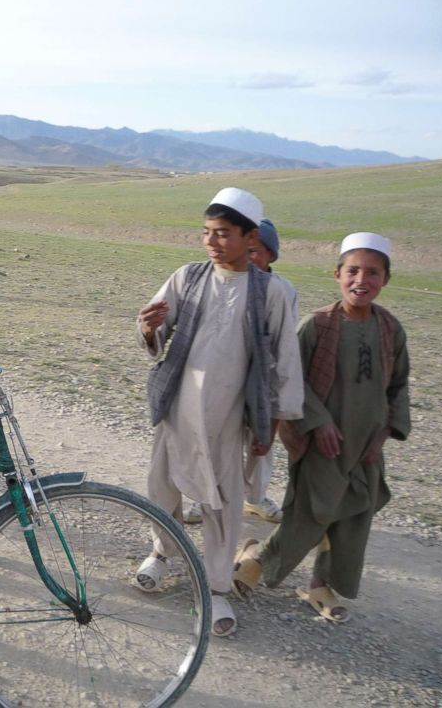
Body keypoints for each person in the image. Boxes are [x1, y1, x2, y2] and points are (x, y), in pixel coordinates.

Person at [133, 187, 303, 638]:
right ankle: (162, 553)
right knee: (162, 487)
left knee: (222, 502)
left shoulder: (272, 293)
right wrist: (148, 328)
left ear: (251, 238)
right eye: (207, 232)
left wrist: (275, 422)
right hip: (178, 409)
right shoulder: (188, 277)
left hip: (230, 418)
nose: (212, 242)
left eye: (223, 233)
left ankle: (216, 586)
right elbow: (155, 331)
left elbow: (286, 361)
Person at [232, 233, 410, 624]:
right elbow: (290, 378)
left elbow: (398, 386)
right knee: (311, 513)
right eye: (353, 271)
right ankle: (255, 561)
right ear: (337, 275)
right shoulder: (318, 324)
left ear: (386, 279)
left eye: (373, 272)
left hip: (366, 446)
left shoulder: (391, 329)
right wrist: (319, 421)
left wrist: (383, 435)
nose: (361, 280)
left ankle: (320, 585)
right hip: (321, 443)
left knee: (350, 518)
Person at [183, 218, 299, 525]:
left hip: (261, 384)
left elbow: (284, 345)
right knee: (212, 441)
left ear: (271, 255)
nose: (250, 258)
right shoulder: (222, 282)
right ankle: (202, 499)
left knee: (260, 445)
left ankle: (255, 497)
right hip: (226, 383)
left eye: (257, 251)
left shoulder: (282, 291)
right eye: (246, 251)